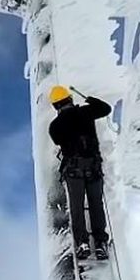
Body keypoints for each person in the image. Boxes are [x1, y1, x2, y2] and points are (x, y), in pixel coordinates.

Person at [48, 85, 112, 260]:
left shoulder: (55, 126)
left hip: (73, 170)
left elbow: (57, 140)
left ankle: (82, 243)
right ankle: (100, 243)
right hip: (93, 167)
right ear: (70, 99)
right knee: (95, 204)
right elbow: (106, 109)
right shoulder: (86, 112)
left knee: (77, 208)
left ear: (55, 106)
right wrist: (90, 100)